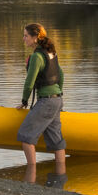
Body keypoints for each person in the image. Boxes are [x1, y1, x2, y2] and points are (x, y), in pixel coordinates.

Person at [16, 22, 67, 186]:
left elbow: (29, 82)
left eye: (25, 36)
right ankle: (60, 179)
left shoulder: (37, 57)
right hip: (57, 99)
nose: (23, 39)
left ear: (35, 37)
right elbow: (61, 74)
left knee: (26, 137)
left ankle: (31, 176)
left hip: (46, 102)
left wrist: (24, 102)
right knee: (56, 141)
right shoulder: (51, 52)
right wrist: (59, 95)